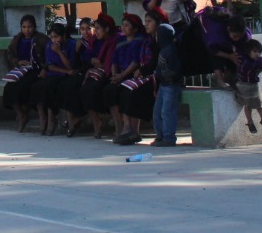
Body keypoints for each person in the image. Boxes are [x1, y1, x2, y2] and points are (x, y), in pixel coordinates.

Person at [105, 13, 153, 145]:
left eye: (127, 25)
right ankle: (120, 127)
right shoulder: (120, 41)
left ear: (135, 28)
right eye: (123, 25)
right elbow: (114, 60)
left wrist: (122, 76)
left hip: (135, 75)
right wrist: (115, 76)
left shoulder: (140, 40)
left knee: (127, 92)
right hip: (121, 76)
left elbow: (136, 61)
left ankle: (132, 129)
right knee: (110, 90)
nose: (123, 28)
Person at [1, 14, 46, 132]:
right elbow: (9, 53)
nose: (27, 30)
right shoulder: (17, 39)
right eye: (24, 27)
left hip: (36, 70)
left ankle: (27, 112)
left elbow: (48, 55)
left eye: (29, 27)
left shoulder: (41, 39)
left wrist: (44, 68)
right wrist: (18, 61)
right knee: (9, 87)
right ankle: (21, 114)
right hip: (22, 71)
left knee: (25, 87)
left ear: (34, 27)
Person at [30, 22, 77, 136]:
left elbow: (70, 66)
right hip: (55, 72)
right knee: (37, 87)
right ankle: (42, 117)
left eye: (56, 37)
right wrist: (65, 71)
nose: (53, 39)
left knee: (50, 87)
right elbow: (50, 65)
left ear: (63, 36)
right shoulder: (49, 45)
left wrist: (59, 52)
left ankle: (51, 116)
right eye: (51, 37)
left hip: (65, 75)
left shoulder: (71, 44)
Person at [78, 14, 120, 139]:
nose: (95, 31)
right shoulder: (95, 41)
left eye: (97, 28)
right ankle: (96, 120)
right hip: (98, 71)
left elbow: (111, 61)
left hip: (111, 73)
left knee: (99, 89)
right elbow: (89, 57)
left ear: (107, 29)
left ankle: (115, 124)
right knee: (83, 89)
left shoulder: (114, 41)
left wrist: (101, 63)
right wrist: (94, 61)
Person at [149, 9, 184, 147]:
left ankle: (169, 138)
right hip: (163, 85)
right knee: (157, 111)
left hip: (171, 86)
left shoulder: (171, 51)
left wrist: (161, 73)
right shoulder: (163, 49)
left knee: (167, 111)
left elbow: (175, 69)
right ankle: (160, 136)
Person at [236, 39, 262, 133]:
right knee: (247, 106)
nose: (257, 54)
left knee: (259, 104)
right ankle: (250, 123)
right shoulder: (242, 59)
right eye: (255, 51)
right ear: (248, 52)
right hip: (243, 85)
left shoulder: (261, 61)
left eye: (259, 52)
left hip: (253, 85)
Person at [210, 15, 252, 91]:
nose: (237, 39)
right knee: (216, 58)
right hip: (218, 51)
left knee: (237, 58)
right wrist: (229, 56)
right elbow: (212, 50)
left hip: (232, 51)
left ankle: (229, 79)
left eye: (240, 36)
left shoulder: (246, 37)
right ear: (228, 29)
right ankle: (220, 80)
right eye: (235, 36)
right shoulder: (219, 32)